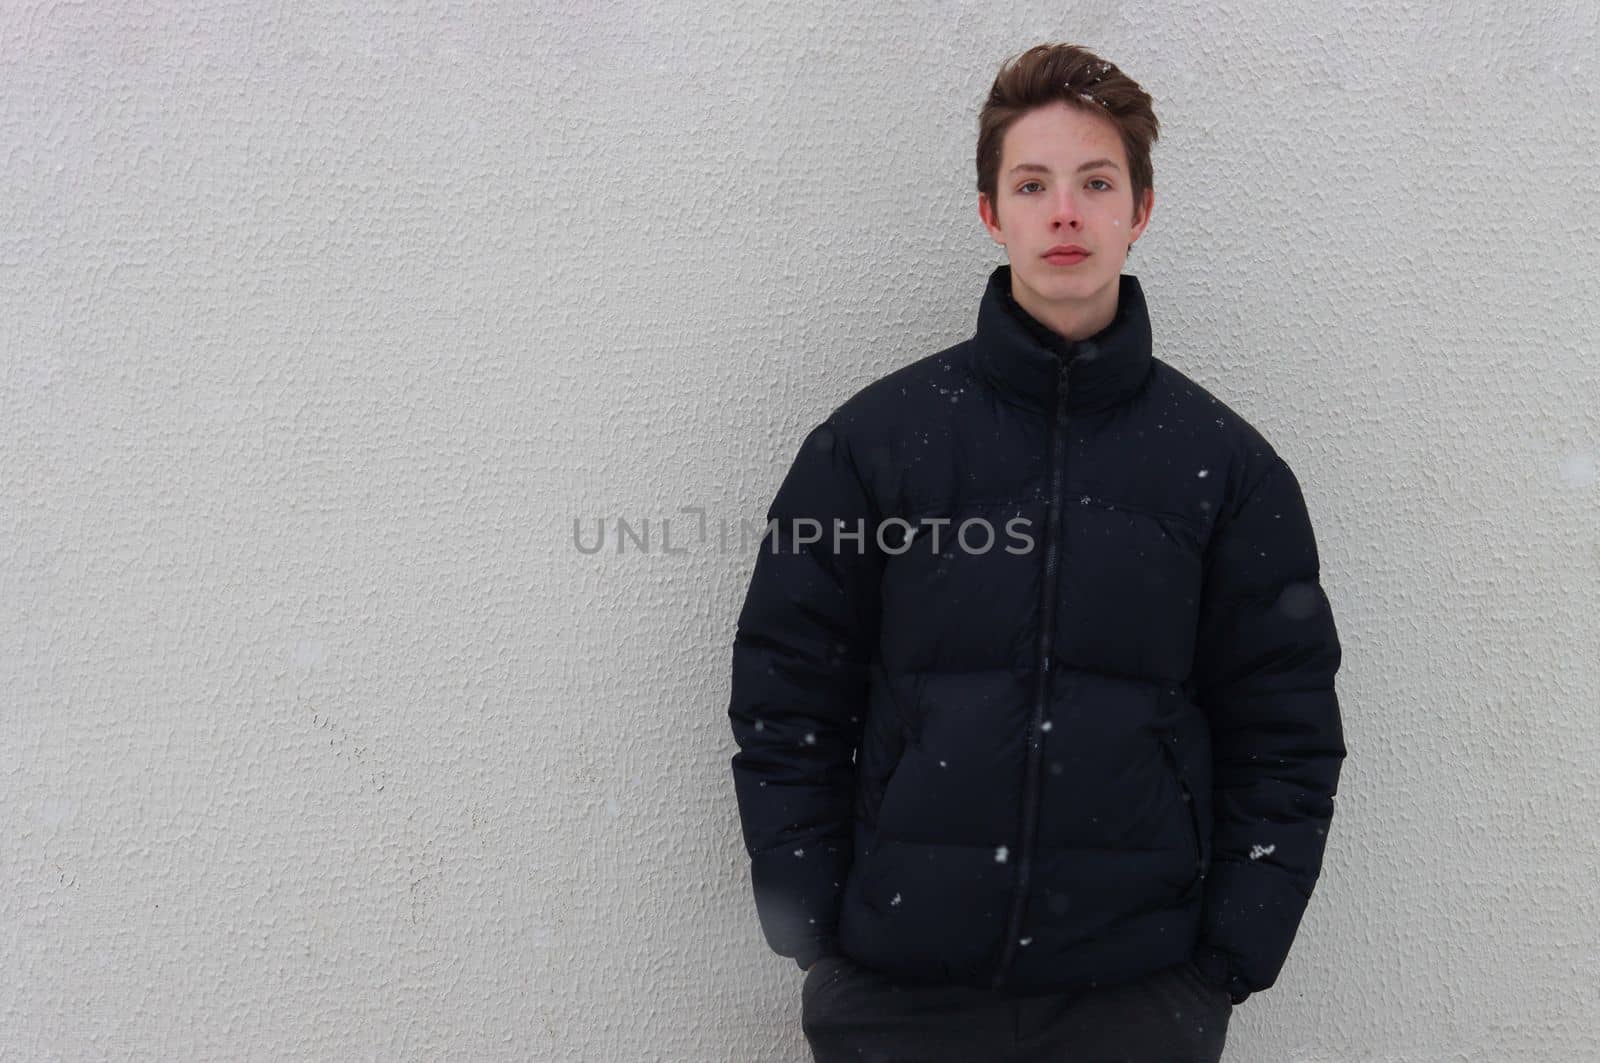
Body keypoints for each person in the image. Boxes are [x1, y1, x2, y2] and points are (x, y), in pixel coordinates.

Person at [727, 41, 1345, 1063]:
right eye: (1032, 183)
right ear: (991, 211)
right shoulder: (873, 446)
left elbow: (1285, 731)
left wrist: (1226, 959)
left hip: (1137, 999)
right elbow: (785, 694)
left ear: (1138, 210)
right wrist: (818, 930)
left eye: (1095, 182)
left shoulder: (1228, 469)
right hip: (897, 999)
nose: (1065, 211)